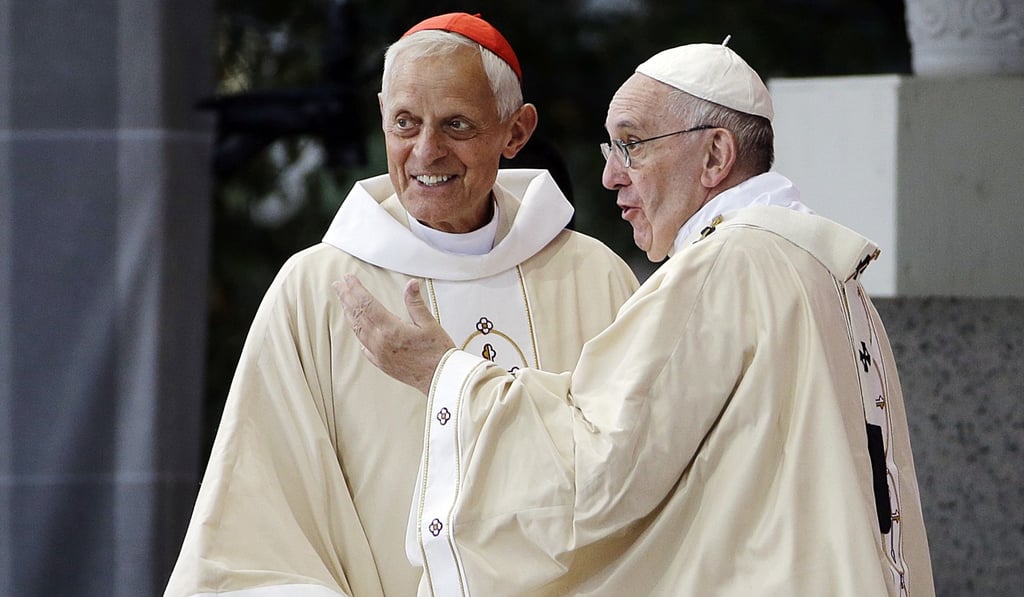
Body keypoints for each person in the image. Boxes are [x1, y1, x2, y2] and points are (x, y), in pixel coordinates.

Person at [337, 41, 936, 596]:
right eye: (610, 149)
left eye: (632, 144)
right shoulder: (822, 270)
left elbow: (597, 471)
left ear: (715, 156)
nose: (610, 175)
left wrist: (445, 376)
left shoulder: (726, 267)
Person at [164, 13, 638, 597]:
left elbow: (637, 478)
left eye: (457, 125)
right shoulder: (317, 289)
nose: (426, 151)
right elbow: (257, 518)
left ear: (515, 132)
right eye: (406, 123)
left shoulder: (593, 279)